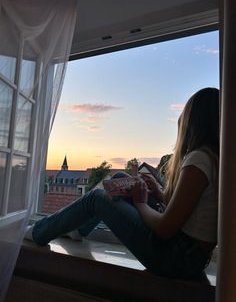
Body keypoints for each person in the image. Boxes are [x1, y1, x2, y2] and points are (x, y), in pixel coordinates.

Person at [25, 87, 219, 281]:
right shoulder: (213, 158)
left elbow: (165, 228)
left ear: (192, 122)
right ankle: (77, 230)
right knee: (119, 177)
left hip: (175, 258)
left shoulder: (198, 160)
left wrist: (141, 201)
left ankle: (39, 232)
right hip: (186, 255)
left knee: (97, 198)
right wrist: (159, 192)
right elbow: (188, 212)